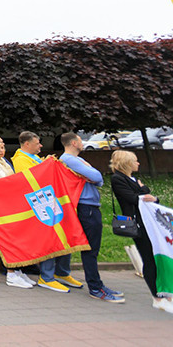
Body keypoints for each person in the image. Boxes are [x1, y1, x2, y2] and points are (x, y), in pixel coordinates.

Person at [12, 131, 81, 292]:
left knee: (64, 235)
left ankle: (62, 272)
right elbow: (32, 178)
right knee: (50, 238)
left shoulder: (32, 158)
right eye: (37, 143)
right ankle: (47, 276)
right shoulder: (21, 160)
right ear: (27, 144)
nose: (41, 146)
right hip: (41, 205)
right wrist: (48, 165)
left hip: (52, 201)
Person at [60, 132, 124, 302]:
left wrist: (91, 175)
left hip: (90, 206)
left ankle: (98, 285)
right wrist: (91, 174)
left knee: (92, 249)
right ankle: (95, 288)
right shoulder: (69, 159)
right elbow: (97, 176)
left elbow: (98, 180)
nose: (83, 143)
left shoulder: (76, 160)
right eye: (81, 141)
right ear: (74, 143)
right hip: (86, 206)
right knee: (90, 249)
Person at [111, 150, 172, 313]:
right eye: (135, 161)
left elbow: (147, 194)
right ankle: (157, 298)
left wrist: (145, 192)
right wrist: (143, 191)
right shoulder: (118, 179)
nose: (138, 163)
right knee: (149, 259)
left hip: (150, 223)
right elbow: (132, 197)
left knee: (158, 257)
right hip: (138, 224)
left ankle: (166, 294)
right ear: (126, 163)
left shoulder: (132, 179)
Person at [0, 137, 33, 288]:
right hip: (3, 204)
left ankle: (18, 271)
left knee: (18, 237)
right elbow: (6, 181)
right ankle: (11, 273)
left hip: (11, 202)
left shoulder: (2, 161)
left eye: (2, 147)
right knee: (11, 238)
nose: (1, 150)